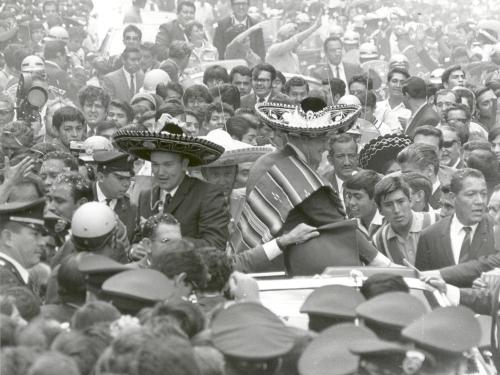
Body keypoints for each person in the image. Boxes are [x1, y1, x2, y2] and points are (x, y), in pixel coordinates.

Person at [231, 98, 392, 274]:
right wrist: (386, 265)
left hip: (255, 265)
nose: (326, 147)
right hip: (282, 273)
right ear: (306, 138)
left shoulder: (267, 161)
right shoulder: (295, 173)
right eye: (324, 138)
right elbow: (338, 225)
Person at [114, 125, 230, 249]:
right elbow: (137, 239)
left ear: (184, 164)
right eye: (155, 165)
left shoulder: (207, 194)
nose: (160, 172)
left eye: (168, 165)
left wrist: (169, 244)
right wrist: (134, 250)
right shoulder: (146, 196)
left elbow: (216, 244)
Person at [416, 168, 496, 273]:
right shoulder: (429, 236)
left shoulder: (495, 230)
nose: (480, 201)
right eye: (471, 194)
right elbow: (423, 281)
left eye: (483, 194)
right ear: (453, 198)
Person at [372, 175, 436, 265]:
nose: (397, 210)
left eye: (401, 202)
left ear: (410, 201)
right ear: (380, 210)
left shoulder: (434, 222)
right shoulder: (379, 240)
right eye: (388, 205)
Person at [0, 199, 46, 292]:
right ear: (8, 237)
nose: (42, 243)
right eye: (35, 234)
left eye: (42, 235)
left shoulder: (11, 275)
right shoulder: (5, 280)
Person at [93, 151, 137, 242]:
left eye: (129, 178)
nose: (127, 184)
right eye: (120, 178)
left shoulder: (131, 207)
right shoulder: (83, 198)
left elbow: (132, 242)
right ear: (101, 177)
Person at [398, 143, 442, 210]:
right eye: (403, 174)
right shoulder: (404, 198)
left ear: (430, 170)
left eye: (409, 173)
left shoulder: (446, 200)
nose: (404, 179)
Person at [343, 170, 384, 239]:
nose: (351, 202)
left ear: (375, 197)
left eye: (358, 197)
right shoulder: (350, 228)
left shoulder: (390, 222)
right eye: (349, 196)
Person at [324, 133, 359, 211]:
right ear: (330, 160)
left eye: (351, 156)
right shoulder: (321, 185)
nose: (347, 162)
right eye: (340, 156)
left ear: (357, 157)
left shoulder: (375, 182)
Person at [374, 67, 411, 133]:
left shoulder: (410, 112)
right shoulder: (376, 107)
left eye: (402, 82)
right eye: (394, 81)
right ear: (387, 84)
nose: (398, 85)